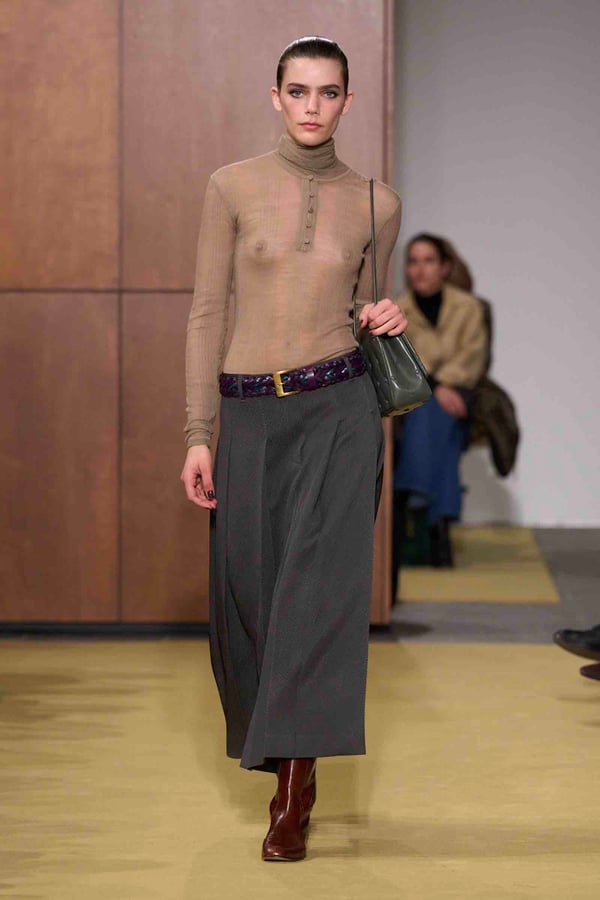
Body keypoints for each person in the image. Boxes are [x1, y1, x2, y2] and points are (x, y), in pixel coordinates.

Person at [180, 36, 405, 861]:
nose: (314, 106)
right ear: (276, 97)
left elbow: (369, 306)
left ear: (348, 101)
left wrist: (388, 314)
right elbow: (207, 312)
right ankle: (280, 748)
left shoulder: (378, 203)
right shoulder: (231, 186)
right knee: (251, 596)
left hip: (340, 411)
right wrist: (198, 433)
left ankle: (294, 790)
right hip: (247, 414)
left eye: (329, 92)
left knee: (317, 596)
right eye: (299, 91)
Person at [392, 234, 487, 578]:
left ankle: (414, 498)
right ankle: (438, 530)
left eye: (429, 261)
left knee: (433, 414)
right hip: (418, 398)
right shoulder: (397, 309)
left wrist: (442, 385)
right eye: (413, 261)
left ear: (445, 267)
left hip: (459, 396)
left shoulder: (468, 307)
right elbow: (401, 364)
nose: (420, 269)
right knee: (433, 419)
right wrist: (436, 387)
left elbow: (471, 359)